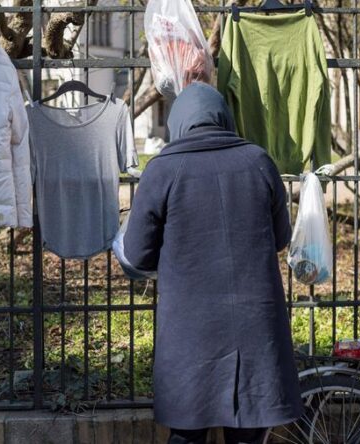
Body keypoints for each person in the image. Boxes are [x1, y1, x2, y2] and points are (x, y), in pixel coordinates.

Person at [124, 83, 302, 444]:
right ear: (224, 117)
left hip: (191, 331)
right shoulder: (259, 161)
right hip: (255, 325)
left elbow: (138, 252)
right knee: (249, 431)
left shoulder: (163, 170)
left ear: (180, 122)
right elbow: (281, 239)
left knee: (188, 434)